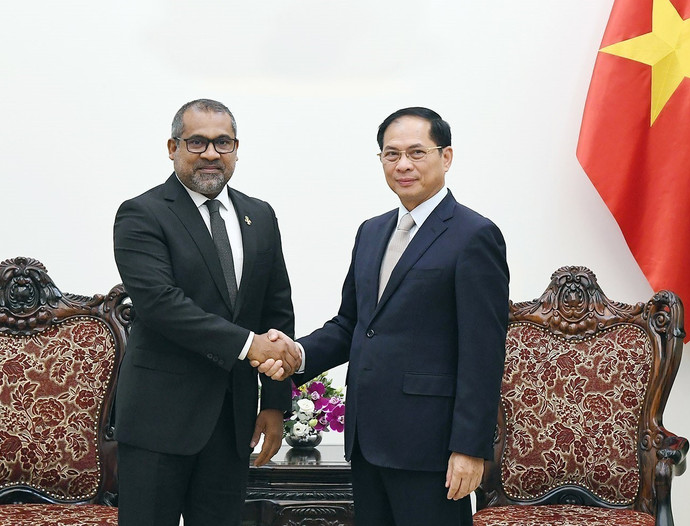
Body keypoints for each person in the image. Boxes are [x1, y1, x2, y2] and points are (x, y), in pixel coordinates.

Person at [261, 107, 509, 525]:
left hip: (431, 449)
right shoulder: (372, 231)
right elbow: (352, 325)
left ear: (446, 157)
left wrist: (470, 447)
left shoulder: (474, 235)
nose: (403, 165)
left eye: (416, 152)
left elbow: (483, 353)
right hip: (368, 439)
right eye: (391, 154)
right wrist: (297, 355)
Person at [113, 98, 300, 526]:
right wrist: (247, 345)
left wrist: (274, 403)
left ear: (236, 148)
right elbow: (161, 304)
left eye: (222, 142)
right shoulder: (142, 214)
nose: (211, 154)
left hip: (232, 421)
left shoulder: (260, 215)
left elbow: (277, 309)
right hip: (159, 420)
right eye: (197, 142)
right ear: (172, 146)